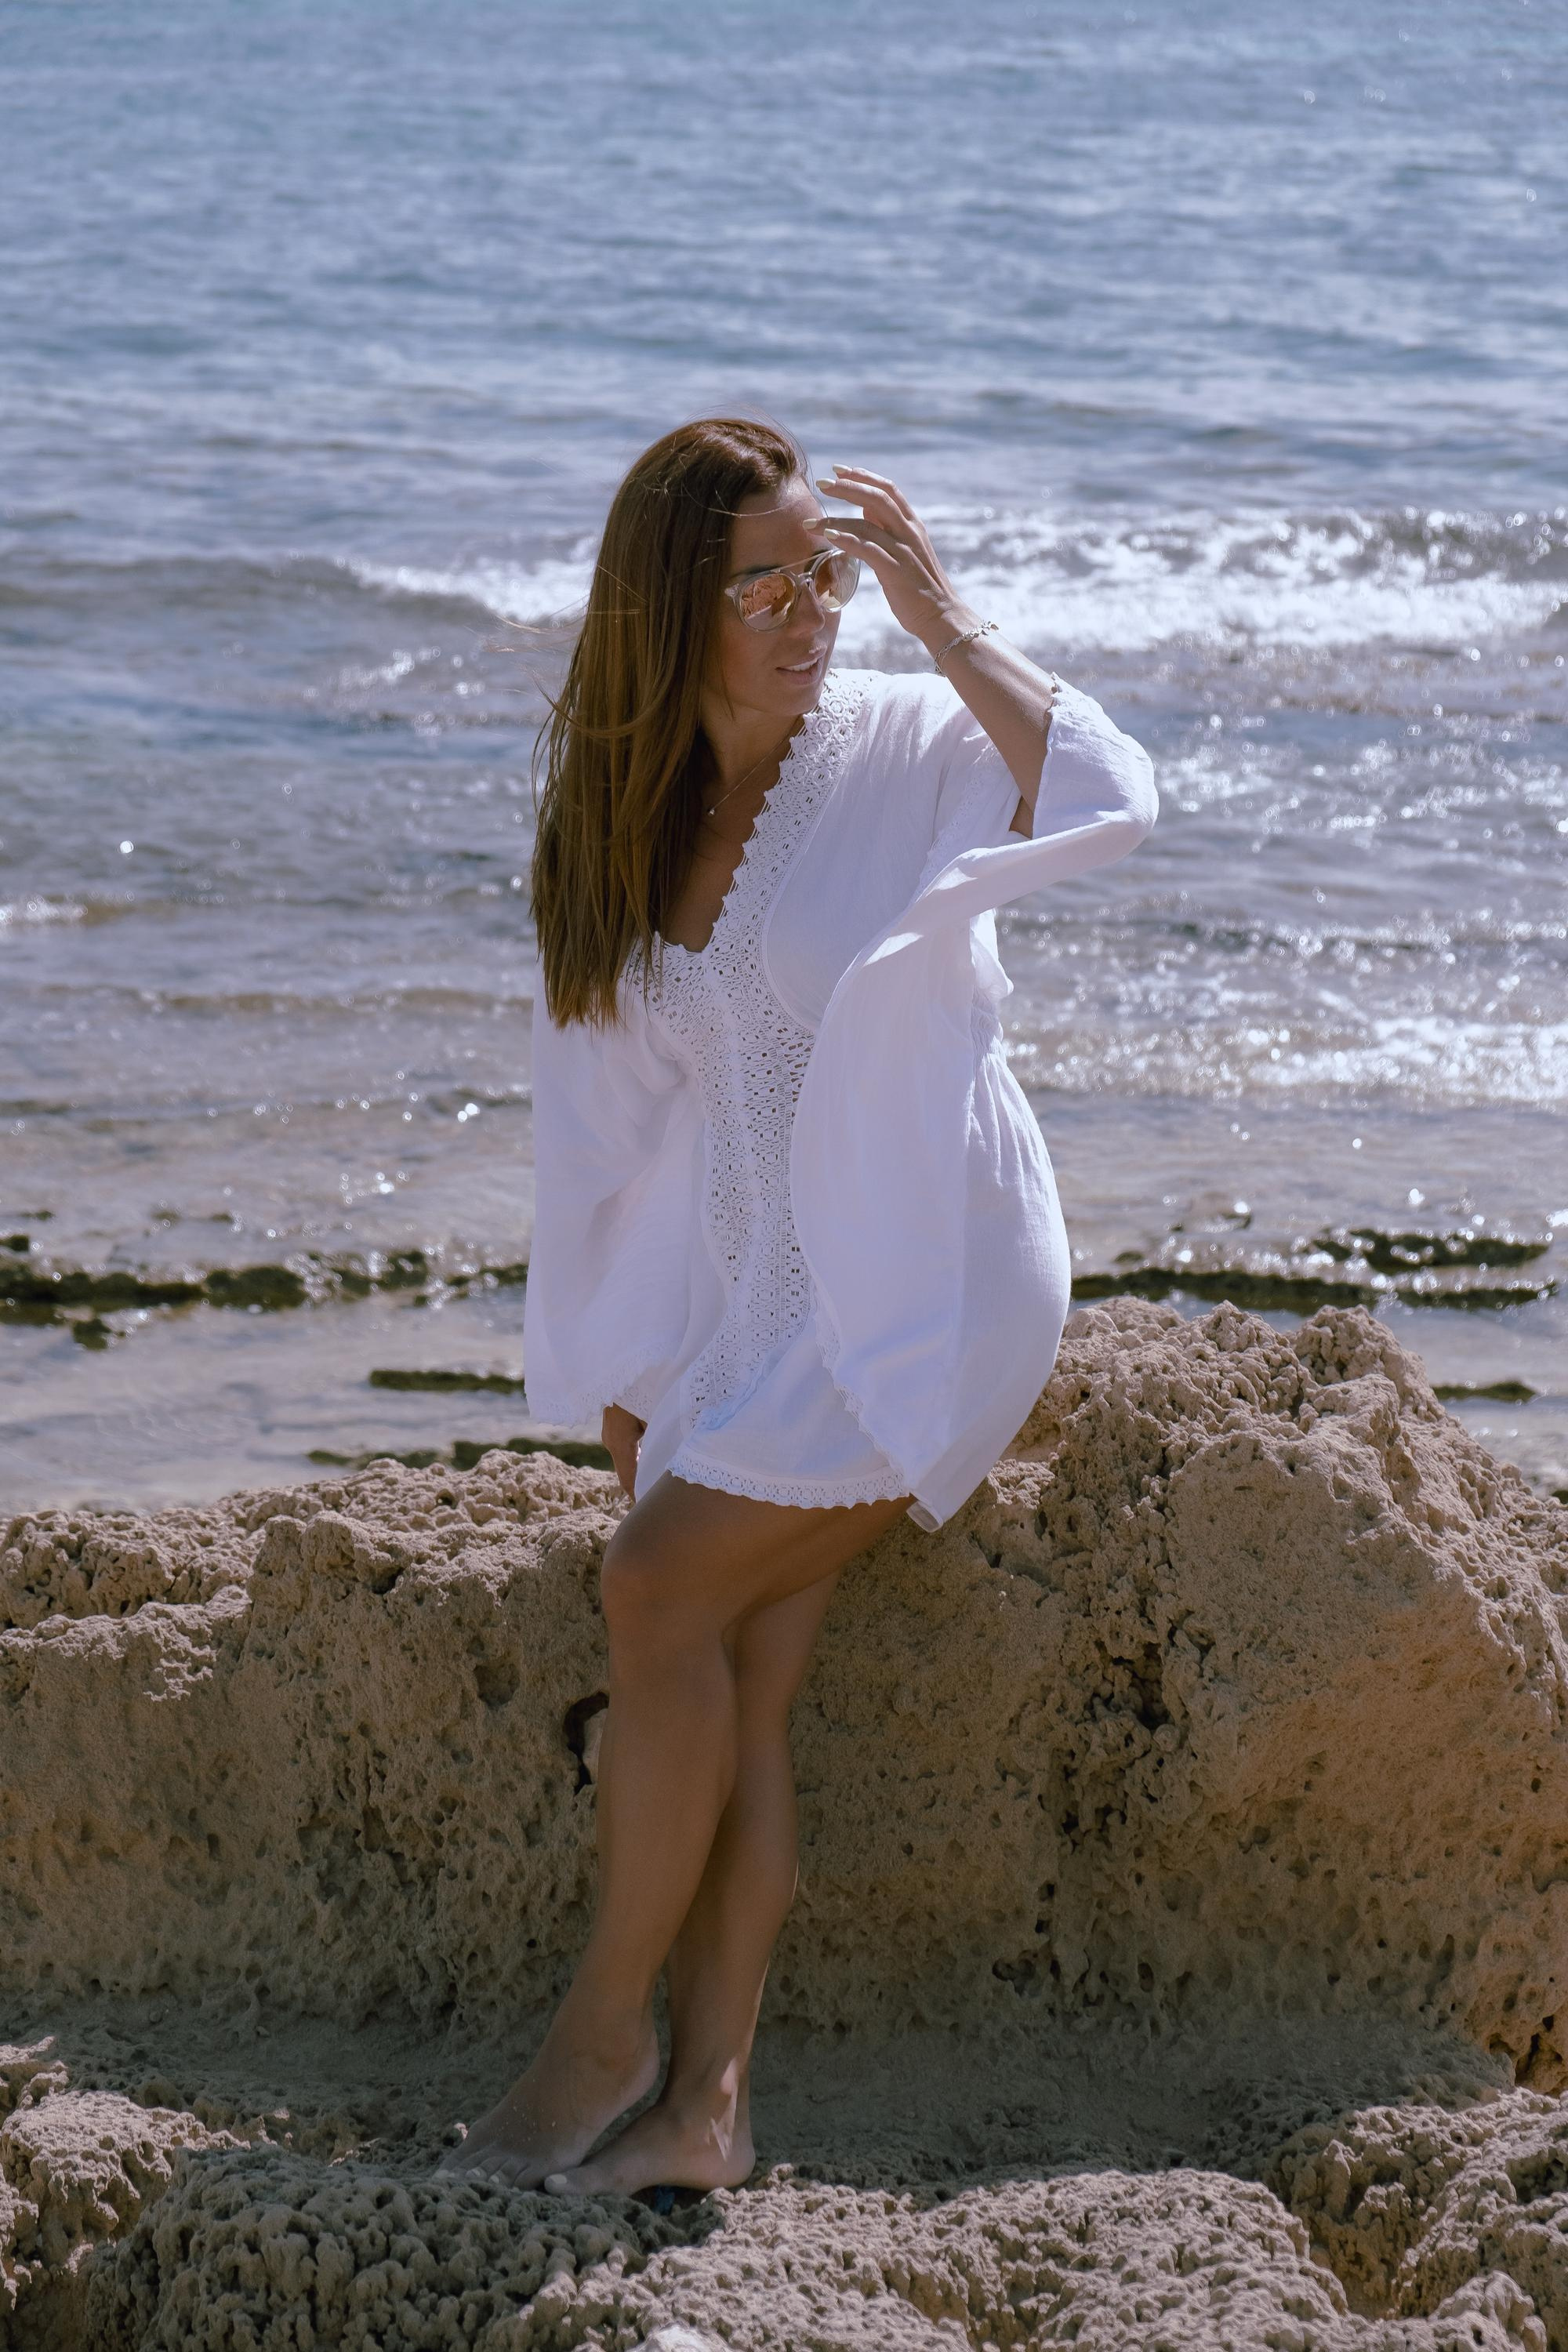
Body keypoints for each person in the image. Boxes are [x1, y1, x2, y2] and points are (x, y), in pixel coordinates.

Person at [439, 416, 1157, 2198]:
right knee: (734, 1676)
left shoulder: (907, 745)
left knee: (651, 1586)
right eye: (763, 582)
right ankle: (709, 2114)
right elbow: (599, 1131)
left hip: (931, 1273)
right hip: (762, 1298)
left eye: (817, 572)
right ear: (671, 604)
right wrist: (628, 1369)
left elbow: (1114, 794)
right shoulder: (622, 826)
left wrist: (944, 619)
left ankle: (599, 2041)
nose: (802, 612)